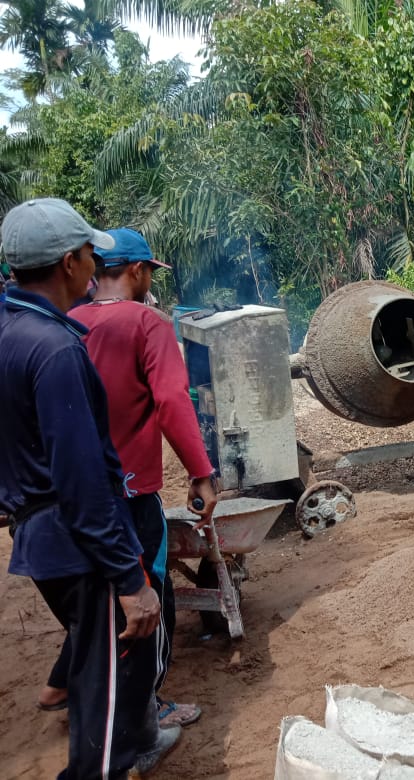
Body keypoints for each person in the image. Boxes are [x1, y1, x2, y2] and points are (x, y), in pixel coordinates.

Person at [0, 198, 178, 778]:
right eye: (87, 255)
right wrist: (131, 580)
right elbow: (83, 483)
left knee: (90, 663)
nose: (92, 266)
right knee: (104, 731)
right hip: (81, 547)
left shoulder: (12, 328)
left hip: (38, 534)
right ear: (71, 262)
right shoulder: (55, 350)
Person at [35, 227, 218, 731]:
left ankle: (61, 683)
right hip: (130, 491)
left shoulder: (63, 321)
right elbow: (172, 403)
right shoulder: (147, 323)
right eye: (148, 273)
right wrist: (202, 473)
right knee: (148, 594)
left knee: (98, 592)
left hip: (70, 494)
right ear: (137, 271)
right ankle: (149, 705)